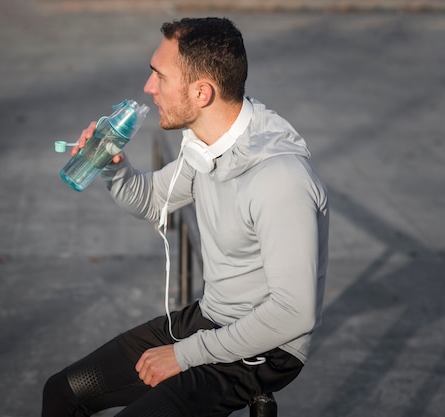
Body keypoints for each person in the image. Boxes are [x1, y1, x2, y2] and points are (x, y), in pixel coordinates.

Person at [42, 17, 329, 417]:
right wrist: (110, 166)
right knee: (63, 392)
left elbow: (294, 313)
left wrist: (184, 354)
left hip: (266, 347)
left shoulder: (279, 179)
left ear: (201, 92)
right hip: (211, 319)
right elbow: (152, 200)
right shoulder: (204, 145)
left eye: (159, 76)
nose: (148, 87)